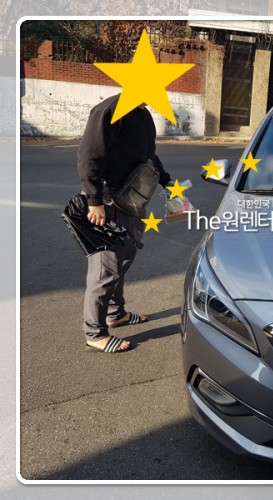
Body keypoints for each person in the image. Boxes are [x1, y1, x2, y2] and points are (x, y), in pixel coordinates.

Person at [77, 94, 171, 353]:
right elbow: (89, 156)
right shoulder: (108, 110)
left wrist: (167, 181)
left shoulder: (143, 114)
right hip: (108, 201)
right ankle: (95, 333)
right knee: (105, 268)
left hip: (133, 200)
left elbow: (148, 156)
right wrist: (94, 200)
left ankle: (115, 313)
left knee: (124, 259)